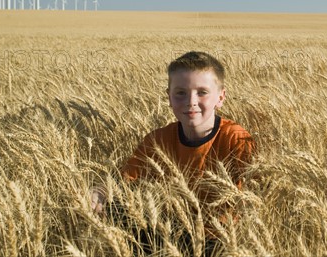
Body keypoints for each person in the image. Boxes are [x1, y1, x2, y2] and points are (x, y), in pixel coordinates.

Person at [91, 51, 256, 256]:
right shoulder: (158, 140)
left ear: (220, 97)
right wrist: (100, 192)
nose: (191, 101)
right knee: (117, 211)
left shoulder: (236, 139)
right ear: (168, 97)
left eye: (202, 92)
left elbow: (254, 197)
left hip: (220, 240)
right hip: (169, 234)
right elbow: (123, 181)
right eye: (180, 93)